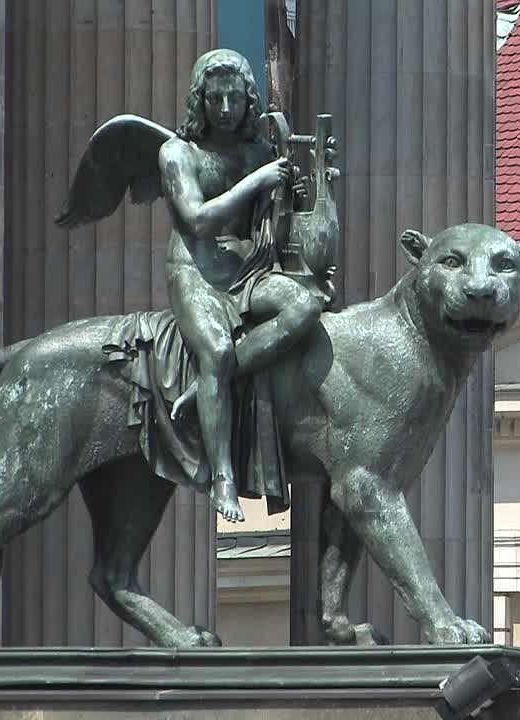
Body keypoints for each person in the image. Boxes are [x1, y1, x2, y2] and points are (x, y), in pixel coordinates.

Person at [157, 49, 326, 523]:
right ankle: (224, 477)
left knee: (305, 306)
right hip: (195, 268)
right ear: (200, 100)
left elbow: (276, 219)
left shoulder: (258, 150)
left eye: (235, 98)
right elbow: (197, 219)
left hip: (247, 267)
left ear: (248, 99)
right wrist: (258, 180)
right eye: (216, 99)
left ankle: (219, 385)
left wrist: (309, 181)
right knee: (215, 350)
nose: (227, 108)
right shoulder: (176, 153)